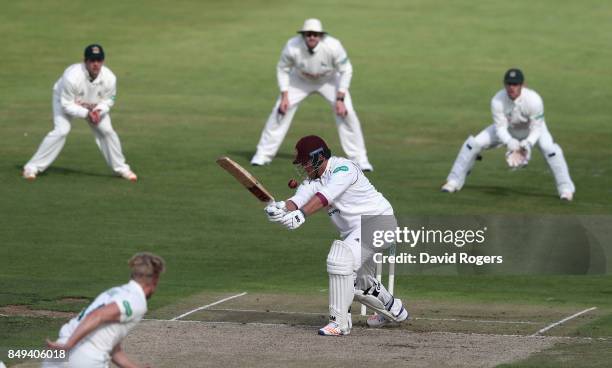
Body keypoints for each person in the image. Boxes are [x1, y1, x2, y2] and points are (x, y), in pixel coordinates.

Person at [265, 135, 408, 336]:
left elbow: (326, 195)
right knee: (358, 283)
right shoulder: (314, 180)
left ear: (318, 158)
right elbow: (298, 199)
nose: (303, 167)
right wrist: (281, 208)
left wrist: (302, 214)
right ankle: (395, 310)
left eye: (306, 162)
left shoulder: (344, 168)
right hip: (357, 232)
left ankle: (339, 324)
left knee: (339, 259)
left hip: (378, 222)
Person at [250, 19, 374, 172]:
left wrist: (340, 98)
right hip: (300, 80)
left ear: (321, 36)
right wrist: (284, 95)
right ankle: (263, 155)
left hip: (329, 80)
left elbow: (346, 70)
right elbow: (282, 68)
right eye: (308, 34)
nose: (312, 37)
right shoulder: (292, 46)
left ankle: (360, 159)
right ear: (303, 35)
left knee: (347, 113)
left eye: (315, 34)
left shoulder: (333, 46)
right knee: (280, 110)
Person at [441, 68, 575, 200]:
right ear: (504, 84)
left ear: (523, 85)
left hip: (533, 130)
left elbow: (537, 128)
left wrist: (528, 143)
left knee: (550, 149)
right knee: (474, 144)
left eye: (515, 84)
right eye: (509, 84)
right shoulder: (497, 100)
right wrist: (510, 142)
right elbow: (500, 128)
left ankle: (565, 188)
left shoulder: (534, 100)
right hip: (508, 130)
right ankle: (453, 181)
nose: (512, 87)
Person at [23, 44, 137, 182]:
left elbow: (108, 101)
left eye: (99, 60)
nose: (96, 64)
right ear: (85, 61)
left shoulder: (110, 78)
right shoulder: (72, 76)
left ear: (103, 61)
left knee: (107, 131)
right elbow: (66, 105)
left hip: (93, 103)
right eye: (92, 60)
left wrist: (98, 111)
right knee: (62, 130)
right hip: (66, 100)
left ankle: (122, 169)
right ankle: (32, 167)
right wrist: (87, 113)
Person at [43, 252, 165, 368]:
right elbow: (97, 316)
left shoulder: (114, 292)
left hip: (56, 356)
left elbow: (112, 346)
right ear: (155, 279)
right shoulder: (136, 300)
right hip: (84, 358)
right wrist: (69, 345)